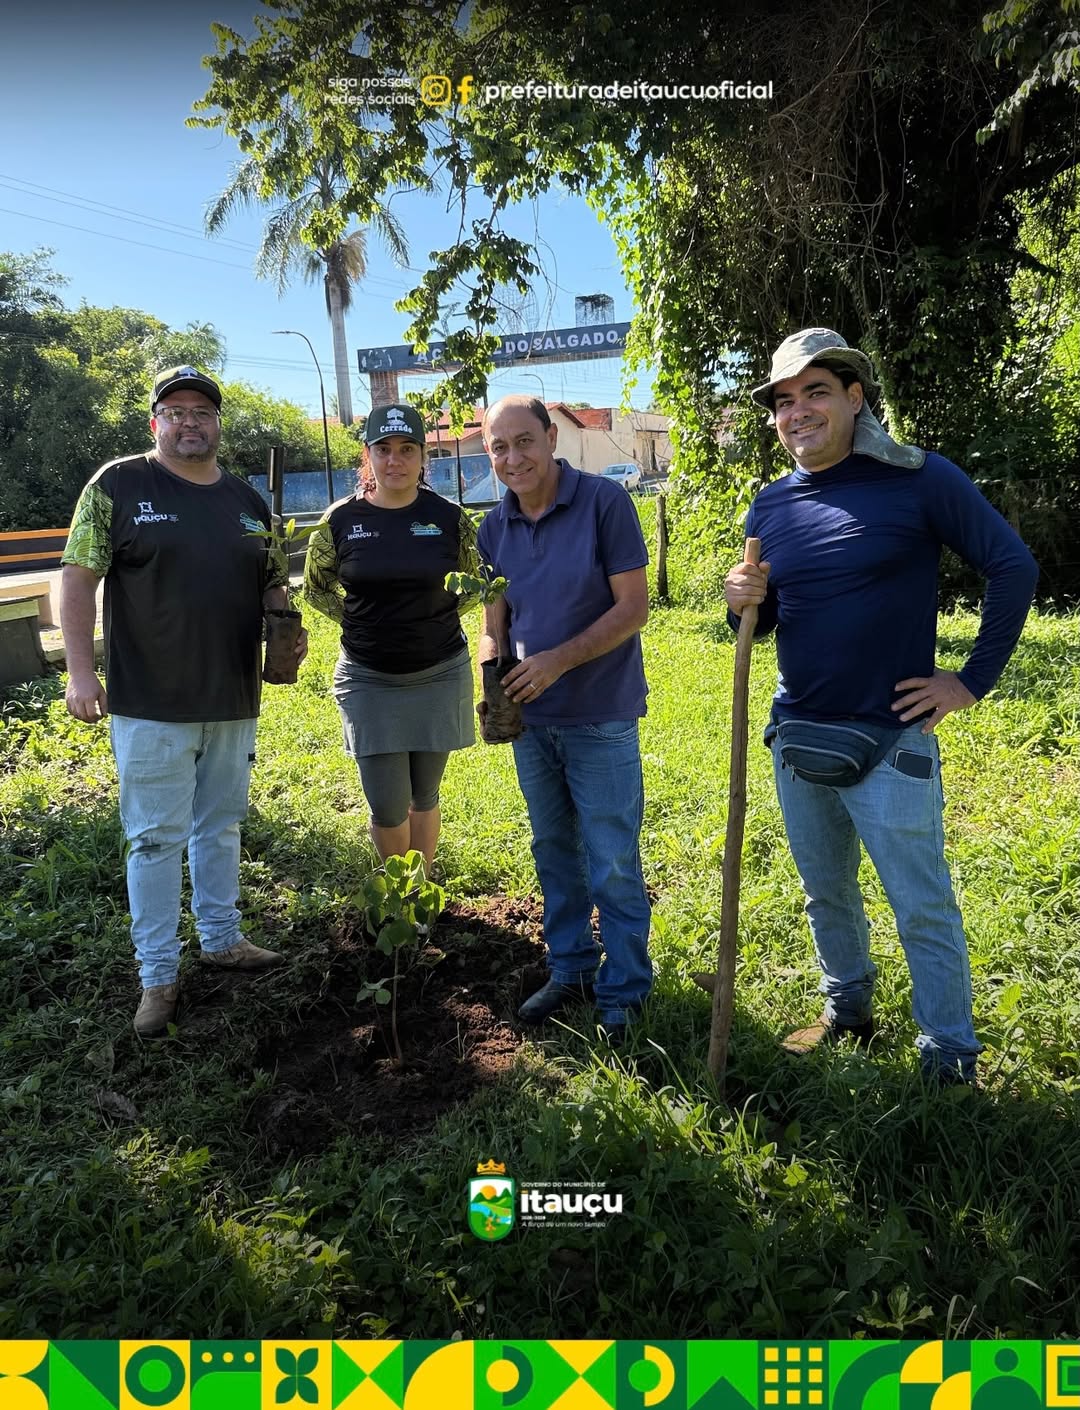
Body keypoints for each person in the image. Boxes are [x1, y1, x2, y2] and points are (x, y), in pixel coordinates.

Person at [723, 328, 1038, 1084]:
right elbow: (764, 623)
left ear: (855, 398)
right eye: (784, 401)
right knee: (823, 890)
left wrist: (969, 681)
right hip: (800, 736)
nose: (796, 412)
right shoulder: (770, 506)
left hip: (892, 740)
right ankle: (848, 1009)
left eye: (816, 393)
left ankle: (949, 1053)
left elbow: (1012, 566)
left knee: (920, 903)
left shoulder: (920, 480)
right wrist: (742, 601)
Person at [60, 366, 306, 1038]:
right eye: (176, 411)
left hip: (232, 695)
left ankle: (224, 939)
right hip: (150, 702)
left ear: (218, 423)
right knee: (154, 839)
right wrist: (81, 675)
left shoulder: (249, 502)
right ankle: (158, 977)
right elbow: (78, 580)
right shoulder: (118, 485)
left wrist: (285, 628)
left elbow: (272, 585)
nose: (190, 421)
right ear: (155, 423)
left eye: (202, 411)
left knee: (221, 825)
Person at [476, 396, 653, 1045]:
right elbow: (494, 623)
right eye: (499, 448)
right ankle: (573, 968)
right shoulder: (492, 529)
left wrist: (556, 661)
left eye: (524, 442)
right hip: (534, 722)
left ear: (552, 438)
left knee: (610, 858)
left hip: (599, 715)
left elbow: (632, 609)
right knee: (553, 851)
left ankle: (626, 989)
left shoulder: (606, 506)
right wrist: (493, 673)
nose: (513, 458)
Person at [303, 403, 478, 873]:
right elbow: (316, 588)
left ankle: (421, 892)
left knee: (425, 794)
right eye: (384, 449)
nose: (395, 460)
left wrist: (432, 617)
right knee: (387, 802)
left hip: (440, 671)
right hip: (368, 678)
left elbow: (475, 584)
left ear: (424, 457)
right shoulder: (341, 519)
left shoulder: (450, 518)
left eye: (407, 449)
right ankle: (398, 895)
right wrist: (361, 622)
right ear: (368, 456)